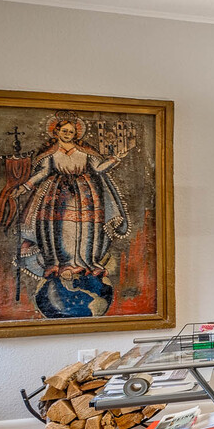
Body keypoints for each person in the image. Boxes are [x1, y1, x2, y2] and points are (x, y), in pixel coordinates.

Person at [11, 114, 132, 317]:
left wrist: (114, 159)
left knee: (84, 231)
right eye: (64, 131)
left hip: (86, 197)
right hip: (58, 198)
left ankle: (84, 263)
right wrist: (25, 187)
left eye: (71, 131)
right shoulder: (51, 154)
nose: (68, 134)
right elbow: (42, 174)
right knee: (63, 230)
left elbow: (98, 169)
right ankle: (64, 264)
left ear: (76, 134)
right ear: (56, 132)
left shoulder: (85, 153)